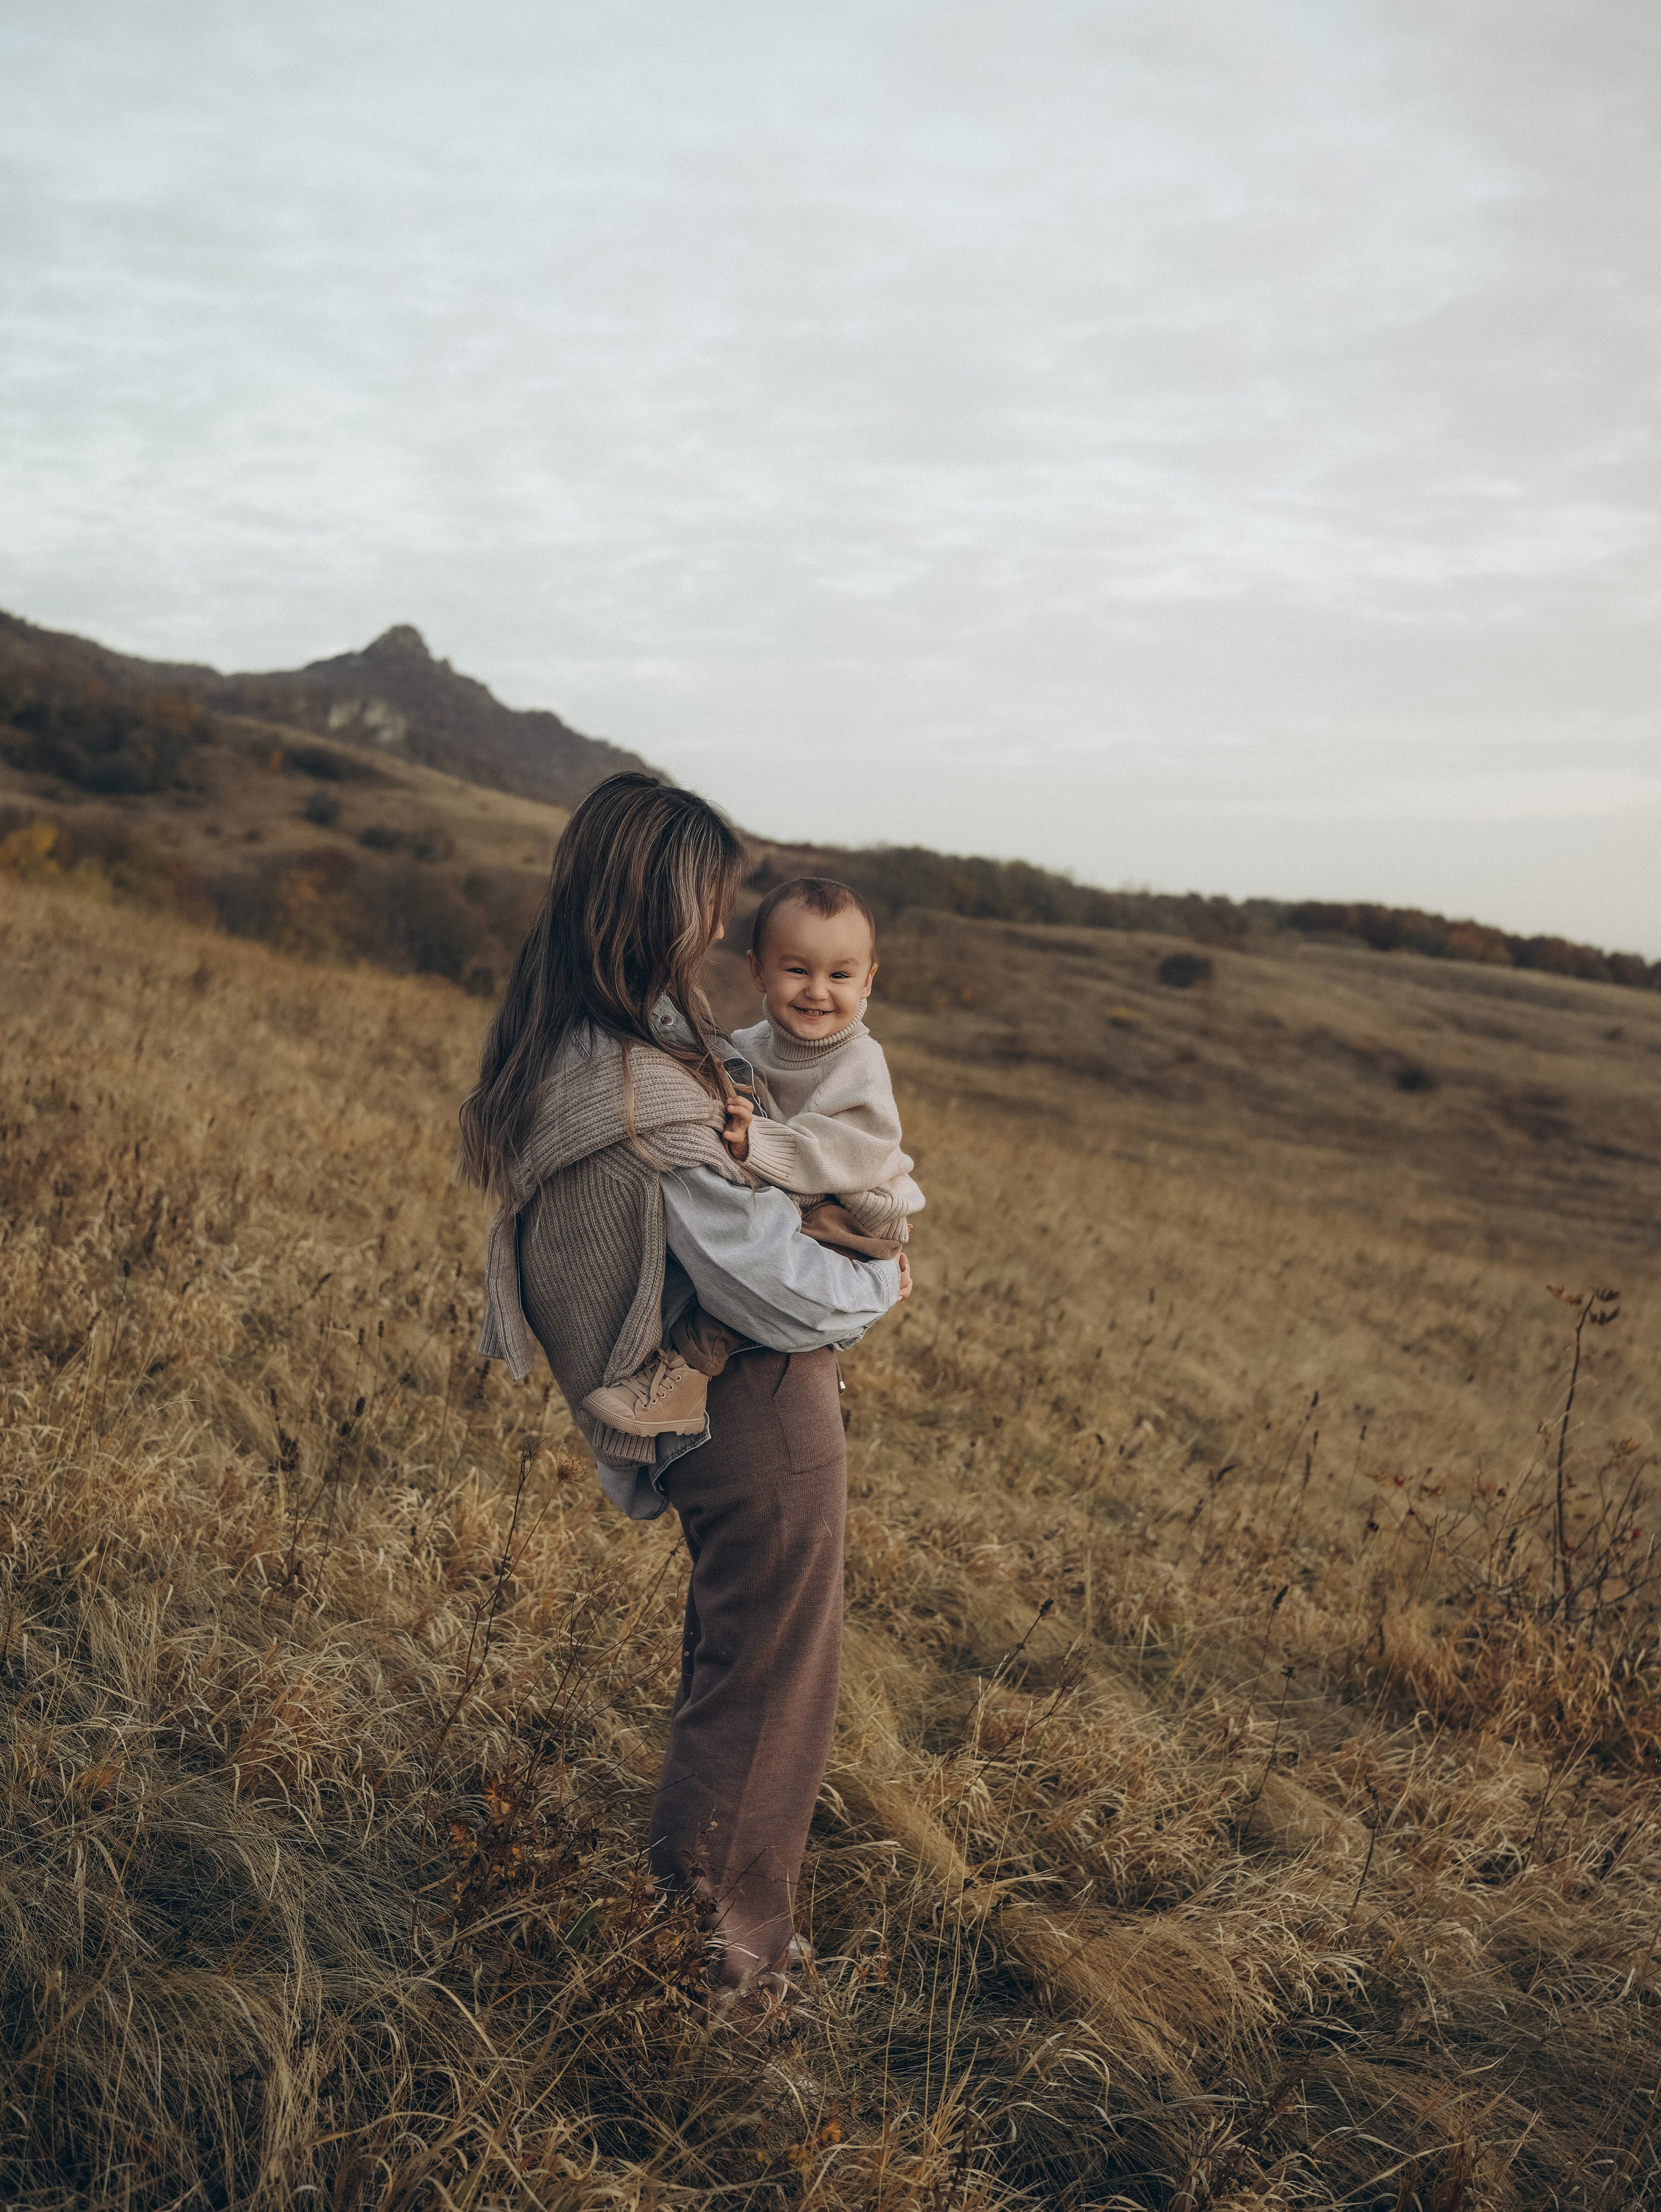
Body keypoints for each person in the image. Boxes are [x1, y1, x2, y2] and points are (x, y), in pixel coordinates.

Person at [457, 772, 910, 2002]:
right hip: (756, 1408)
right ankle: (720, 1974)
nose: (719, 930)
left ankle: (702, 1938)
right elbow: (780, 1292)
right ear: (657, 907)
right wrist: (887, 1282)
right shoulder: (648, 1089)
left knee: (737, 1668)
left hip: (716, 1409)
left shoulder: (565, 1039)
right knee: (770, 1694)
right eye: (707, 904)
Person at [585, 873, 925, 1439]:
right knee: (730, 1250)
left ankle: (685, 1380)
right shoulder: (749, 1047)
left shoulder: (861, 1063)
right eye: (797, 970)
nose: (818, 990)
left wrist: (756, 1142)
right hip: (802, 1197)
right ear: (757, 971)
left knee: (756, 1272)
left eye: (840, 975)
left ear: (868, 981)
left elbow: (854, 1155)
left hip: (855, 1211)